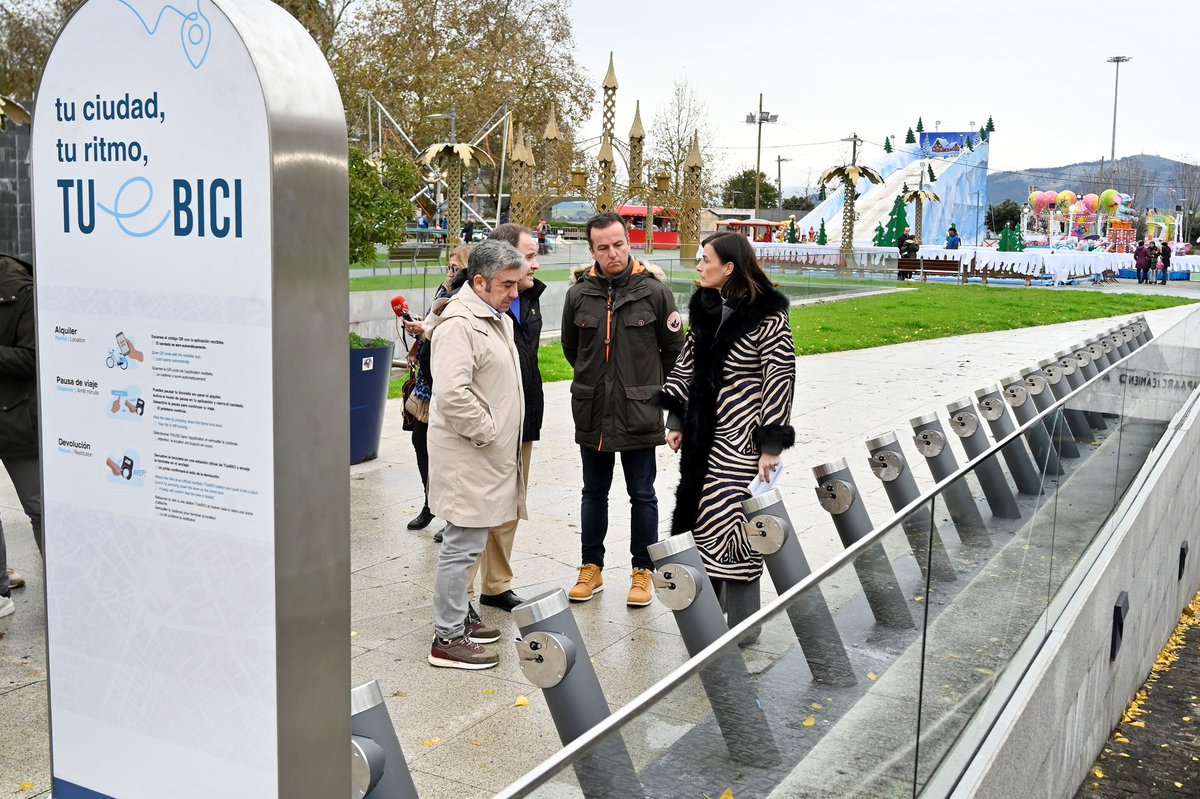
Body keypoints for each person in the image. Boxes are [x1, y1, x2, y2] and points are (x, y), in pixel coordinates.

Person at [657, 233, 796, 642]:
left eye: (706, 260)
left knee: (734, 524)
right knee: (701, 519)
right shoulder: (704, 307)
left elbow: (780, 377)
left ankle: (743, 626)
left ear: (729, 267)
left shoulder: (768, 315)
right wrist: (676, 418)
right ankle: (708, 618)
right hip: (703, 437)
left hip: (741, 437)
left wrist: (770, 445)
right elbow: (686, 364)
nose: (699, 266)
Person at [561, 212, 685, 606]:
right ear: (591, 249)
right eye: (603, 247)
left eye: (618, 244)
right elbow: (572, 350)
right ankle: (591, 568)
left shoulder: (654, 292)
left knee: (642, 493)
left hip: (639, 411)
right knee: (593, 492)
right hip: (593, 410)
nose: (612, 253)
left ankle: (642, 571)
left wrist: (672, 411)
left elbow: (677, 358)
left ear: (629, 242)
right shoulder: (578, 294)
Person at [424, 240, 527, 669]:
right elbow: (452, 394)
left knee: (470, 540)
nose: (515, 293)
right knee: (462, 545)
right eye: (507, 284)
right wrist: (489, 433)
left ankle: (458, 620)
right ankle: (446, 638)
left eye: (517, 283)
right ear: (479, 282)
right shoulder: (459, 324)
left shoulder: (490, 315)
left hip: (483, 456)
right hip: (471, 455)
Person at [462, 223, 545, 612]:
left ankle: (496, 585)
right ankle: (459, 598)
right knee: (475, 514)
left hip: (522, 420)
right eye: (529, 256)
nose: (535, 264)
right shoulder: (468, 305)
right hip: (486, 429)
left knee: (510, 506)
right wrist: (487, 427)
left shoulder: (529, 297)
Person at [404, 245, 473, 533]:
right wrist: (418, 337)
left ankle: (452, 516)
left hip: (446, 386)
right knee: (420, 442)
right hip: (426, 386)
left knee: (448, 453)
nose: (449, 272)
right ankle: (430, 502)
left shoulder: (465, 298)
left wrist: (426, 328)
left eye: (456, 268)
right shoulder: (442, 292)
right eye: (448, 266)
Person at [0, 255, 42, 618]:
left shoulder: (20, 289)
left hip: (16, 416)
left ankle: (65, 588)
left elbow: (31, 358)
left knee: (38, 506)